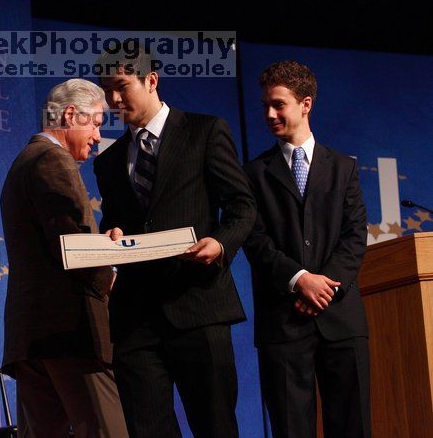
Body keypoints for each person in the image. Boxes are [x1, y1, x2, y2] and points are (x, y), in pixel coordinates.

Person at [93, 45, 256, 438]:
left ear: (151, 80)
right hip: (136, 320)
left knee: (215, 426)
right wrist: (111, 237)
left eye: (121, 86)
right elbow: (116, 224)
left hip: (197, 305)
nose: (114, 99)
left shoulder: (205, 131)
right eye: (107, 90)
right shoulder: (107, 161)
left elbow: (242, 205)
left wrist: (219, 243)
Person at [243, 60, 370, 438]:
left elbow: (354, 236)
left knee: (353, 427)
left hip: (341, 321)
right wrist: (300, 281)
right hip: (283, 325)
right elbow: (254, 239)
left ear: (306, 104)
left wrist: (323, 286)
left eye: (278, 104)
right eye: (265, 104)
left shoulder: (344, 168)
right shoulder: (252, 174)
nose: (269, 113)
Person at [0, 79, 128, 438]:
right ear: (71, 115)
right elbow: (74, 246)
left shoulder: (24, 161)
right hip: (71, 334)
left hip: (35, 339)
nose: (99, 136)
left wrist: (99, 245)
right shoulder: (52, 159)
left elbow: (58, 240)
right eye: (97, 123)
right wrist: (113, 273)